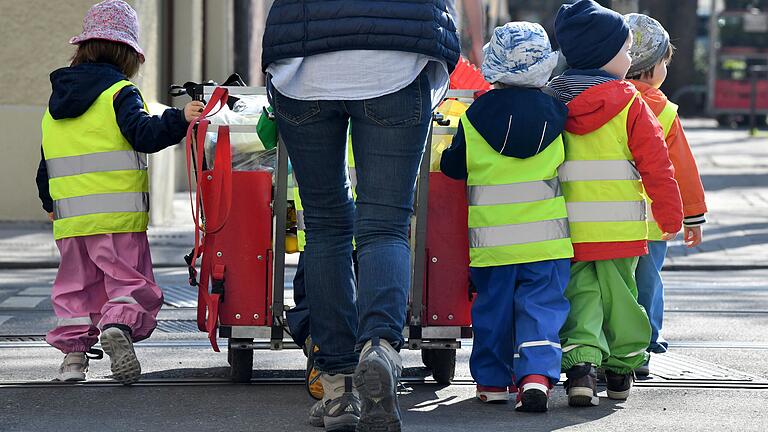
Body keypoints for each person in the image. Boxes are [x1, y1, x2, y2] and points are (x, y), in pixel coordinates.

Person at [262, 1, 460, 430]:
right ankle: (381, 349)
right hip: (395, 66)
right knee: (386, 225)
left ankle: (337, 389)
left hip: (303, 70)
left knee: (326, 226)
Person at [35, 0, 203, 384]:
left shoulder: (55, 103)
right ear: (128, 54)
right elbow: (143, 134)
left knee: (75, 289)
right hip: (117, 216)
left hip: (70, 219)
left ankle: (73, 361)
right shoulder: (120, 92)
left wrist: (49, 203)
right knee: (127, 282)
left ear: (83, 49)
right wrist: (181, 118)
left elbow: (46, 160)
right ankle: (117, 326)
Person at [548, 0, 683, 406]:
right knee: (622, 298)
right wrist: (670, 212)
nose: (630, 58)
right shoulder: (630, 104)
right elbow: (656, 164)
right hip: (621, 230)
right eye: (626, 51)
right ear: (606, 57)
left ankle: (582, 371)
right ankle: (622, 369)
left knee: (582, 300)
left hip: (567, 230)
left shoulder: (553, 100)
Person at [440, 22, 572, 413]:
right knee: (542, 308)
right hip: (546, 240)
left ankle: (493, 381)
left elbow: (453, 167)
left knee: (492, 311)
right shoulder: (558, 115)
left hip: (493, 244)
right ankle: (536, 375)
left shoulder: (474, 116)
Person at [624, 13, 707, 376]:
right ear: (652, 68)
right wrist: (693, 216)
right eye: (664, 63)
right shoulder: (665, 111)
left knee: (614, 282)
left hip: (605, 218)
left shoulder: (605, 102)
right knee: (649, 281)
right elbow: (682, 169)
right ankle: (648, 337)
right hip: (654, 221)